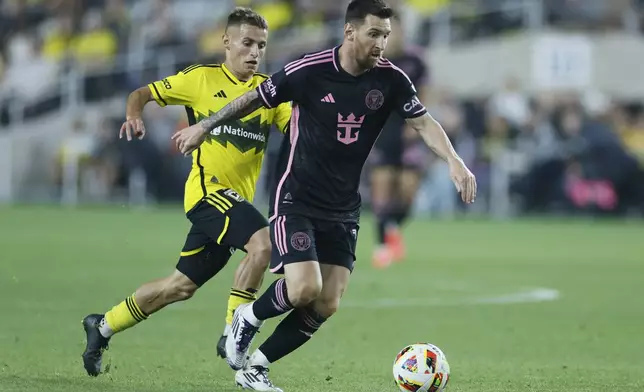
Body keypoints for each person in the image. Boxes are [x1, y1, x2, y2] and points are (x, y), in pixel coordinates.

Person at [171, 1, 476, 390]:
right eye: (373, 33)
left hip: (343, 206)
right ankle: (247, 318)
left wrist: (454, 160)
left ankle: (256, 368)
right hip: (296, 197)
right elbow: (254, 97)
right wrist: (205, 127)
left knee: (327, 302)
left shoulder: (391, 79)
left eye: (385, 34)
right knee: (303, 288)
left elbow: (423, 121)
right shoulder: (309, 69)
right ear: (350, 32)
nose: (381, 42)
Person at [81, 7, 292, 377]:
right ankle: (233, 334)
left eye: (261, 45)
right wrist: (134, 114)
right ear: (226, 42)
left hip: (234, 204)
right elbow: (141, 92)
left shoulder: (268, 93)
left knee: (179, 287)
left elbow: (298, 131)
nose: (255, 52)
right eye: (247, 43)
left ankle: (102, 326)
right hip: (207, 193)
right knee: (263, 244)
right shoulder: (201, 79)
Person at [368, 15, 430, 268]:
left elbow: (425, 93)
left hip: (408, 131)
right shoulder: (372, 61)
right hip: (382, 131)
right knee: (382, 189)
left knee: (408, 191)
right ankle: (382, 246)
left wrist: (418, 122)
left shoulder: (415, 60)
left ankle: (393, 226)